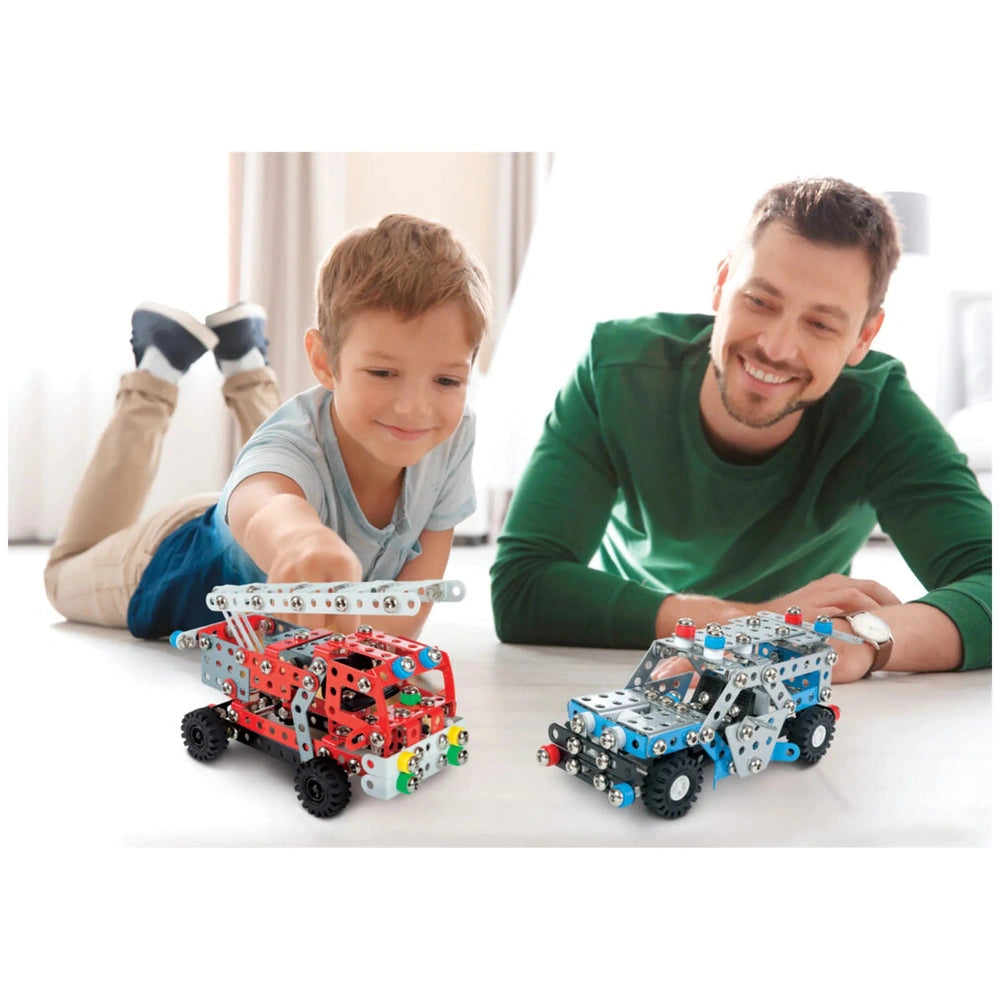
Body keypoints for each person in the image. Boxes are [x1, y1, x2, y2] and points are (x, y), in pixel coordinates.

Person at [490, 177, 991, 682]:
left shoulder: (881, 410)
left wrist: (861, 641)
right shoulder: (617, 371)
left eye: (821, 324)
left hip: (789, 674)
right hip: (631, 654)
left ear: (863, 337)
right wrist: (749, 625)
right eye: (760, 301)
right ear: (721, 282)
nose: (777, 346)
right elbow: (524, 586)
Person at [45, 214, 492, 640]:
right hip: (164, 559)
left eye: (447, 380)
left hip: (264, 490)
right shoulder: (291, 447)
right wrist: (298, 540)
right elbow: (264, 506)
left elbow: (413, 598)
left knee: (307, 445)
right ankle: (155, 376)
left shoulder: (453, 434)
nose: (415, 408)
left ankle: (245, 362)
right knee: (62, 576)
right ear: (322, 360)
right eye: (382, 373)